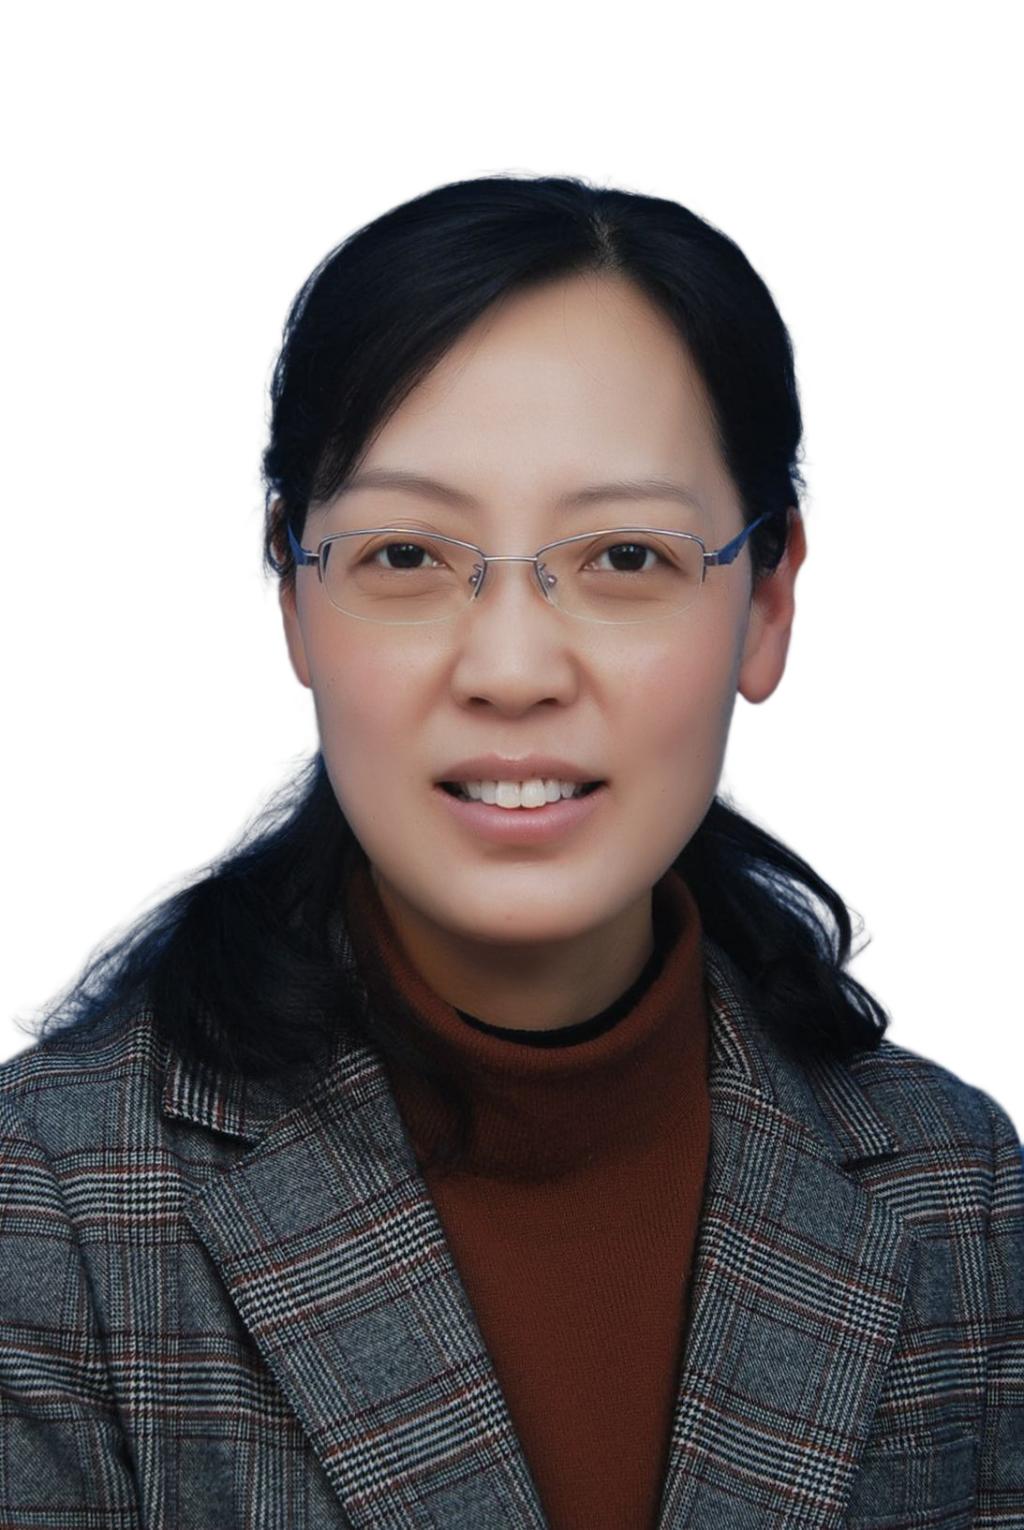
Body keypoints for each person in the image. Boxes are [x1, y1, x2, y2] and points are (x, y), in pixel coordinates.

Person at [1, 174, 1020, 1529]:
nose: (513, 667)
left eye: (627, 558)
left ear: (768, 598)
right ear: (293, 590)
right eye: (407, 554)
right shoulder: (55, 1204)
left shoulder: (958, 1190)